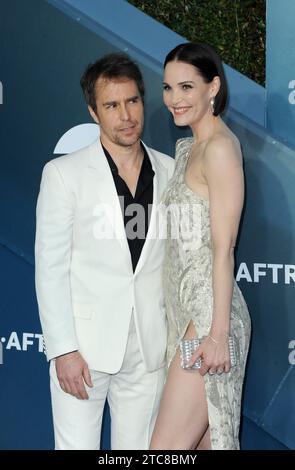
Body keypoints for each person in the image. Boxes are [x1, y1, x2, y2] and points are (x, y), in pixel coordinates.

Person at [35, 52, 174, 450]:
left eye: (132, 101)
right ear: (94, 112)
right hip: (84, 348)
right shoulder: (64, 174)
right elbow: (50, 268)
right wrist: (63, 350)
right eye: (112, 105)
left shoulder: (168, 170)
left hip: (148, 350)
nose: (126, 115)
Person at [150, 42, 251, 450]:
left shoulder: (221, 149)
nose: (175, 99)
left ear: (214, 87)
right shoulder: (189, 147)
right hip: (185, 315)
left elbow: (224, 249)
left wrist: (217, 335)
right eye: (168, 88)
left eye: (187, 87)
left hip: (210, 318)